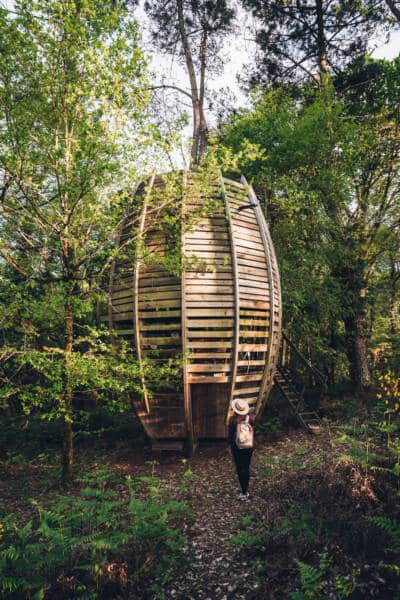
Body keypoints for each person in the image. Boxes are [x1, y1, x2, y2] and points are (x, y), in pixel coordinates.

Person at [228, 399, 254, 501]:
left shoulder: (233, 420)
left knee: (239, 468)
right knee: (246, 467)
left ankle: (243, 492)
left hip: (237, 447)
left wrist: (230, 446)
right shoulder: (251, 419)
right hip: (249, 446)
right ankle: (246, 491)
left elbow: (230, 436)